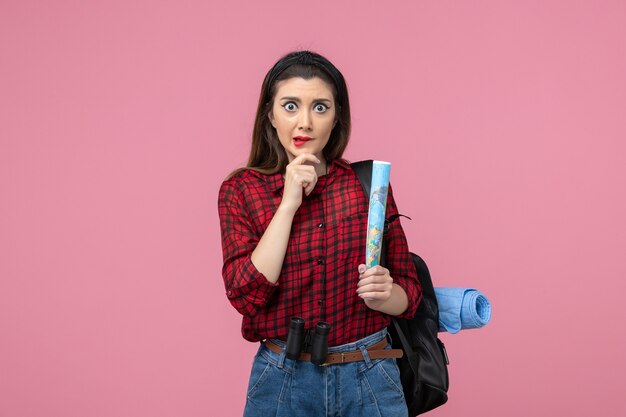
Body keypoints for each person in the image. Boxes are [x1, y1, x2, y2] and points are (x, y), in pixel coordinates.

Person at [218, 50, 421, 417]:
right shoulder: (241, 189)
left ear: (336, 116)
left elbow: (410, 295)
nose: (305, 122)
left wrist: (385, 294)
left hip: (370, 373)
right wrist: (288, 204)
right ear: (271, 114)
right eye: (291, 106)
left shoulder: (370, 185)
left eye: (321, 107)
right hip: (282, 380)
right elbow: (245, 295)